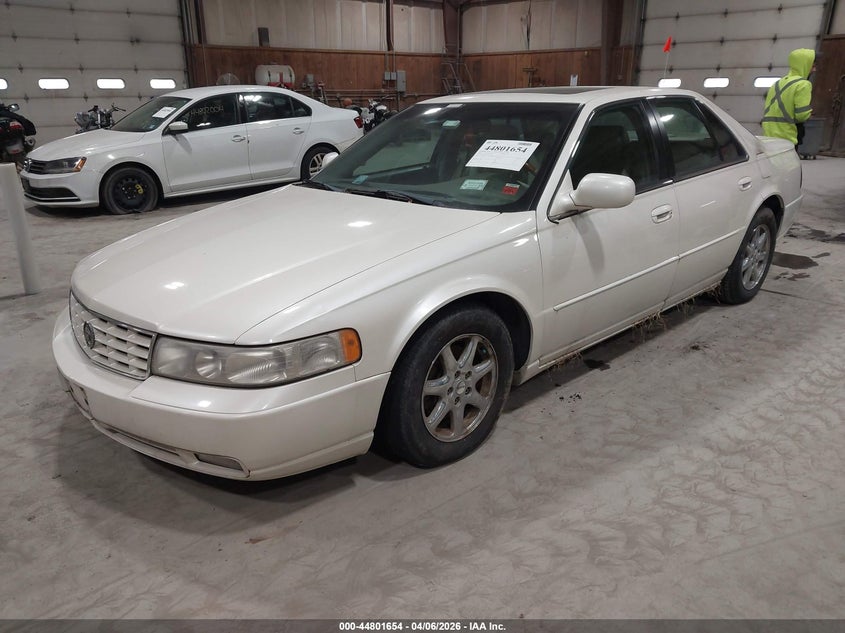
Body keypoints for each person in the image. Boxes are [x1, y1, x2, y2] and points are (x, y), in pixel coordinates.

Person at [761, 48, 816, 148]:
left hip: (769, 135)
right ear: (804, 64)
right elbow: (801, 116)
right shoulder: (803, 84)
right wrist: (809, 113)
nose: (814, 69)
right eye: (813, 66)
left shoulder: (777, 83)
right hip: (787, 136)